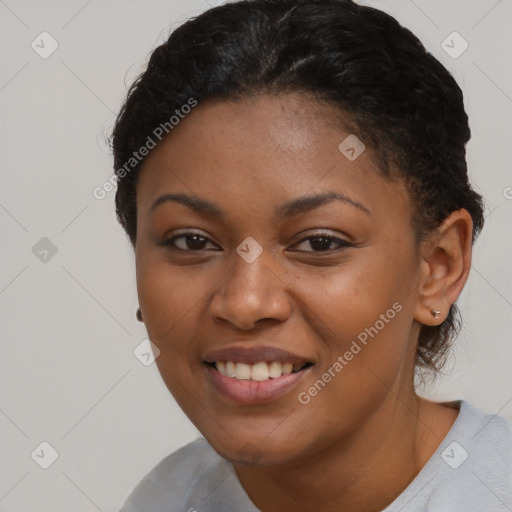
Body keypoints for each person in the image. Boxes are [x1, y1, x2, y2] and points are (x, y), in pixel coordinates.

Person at [111, 0, 512, 510]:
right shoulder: (166, 499)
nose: (245, 302)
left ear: (437, 267)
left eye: (319, 243)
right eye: (191, 241)